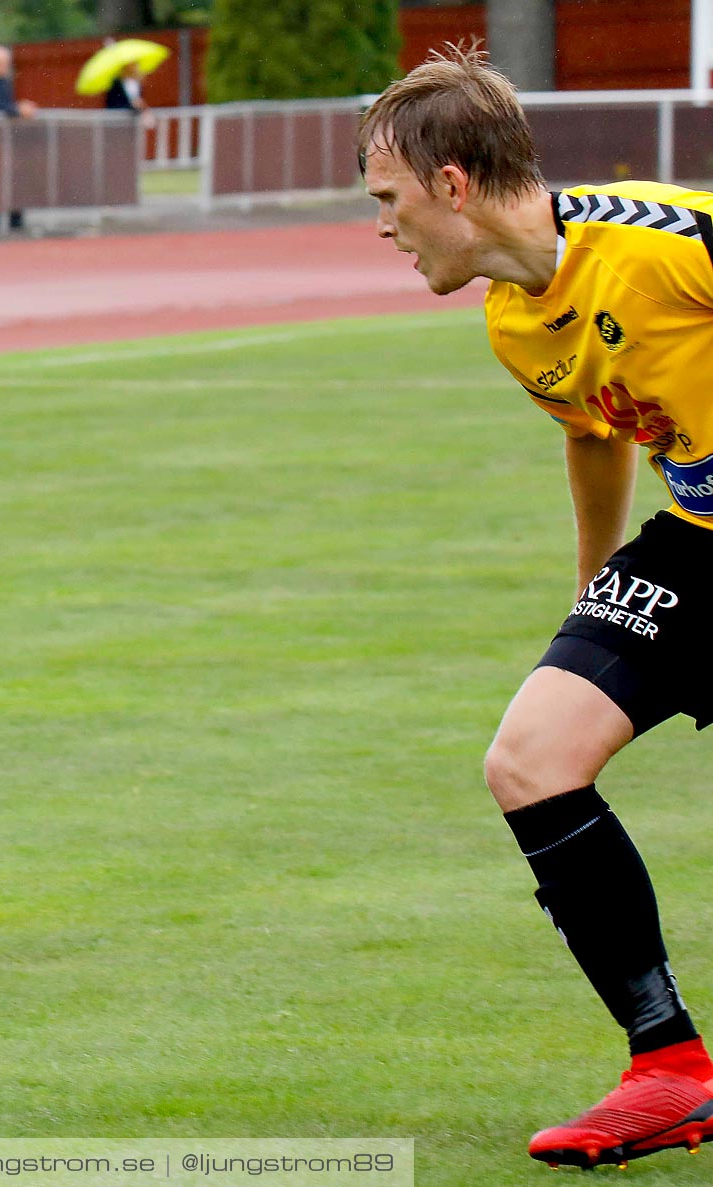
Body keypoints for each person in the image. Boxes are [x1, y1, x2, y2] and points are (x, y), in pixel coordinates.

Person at [360, 45, 713, 1171]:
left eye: (387, 198)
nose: (382, 227)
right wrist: (595, 595)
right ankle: (670, 1067)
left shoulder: (665, 241)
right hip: (699, 543)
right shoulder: (515, 318)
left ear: (451, 183)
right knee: (531, 755)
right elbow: (594, 436)